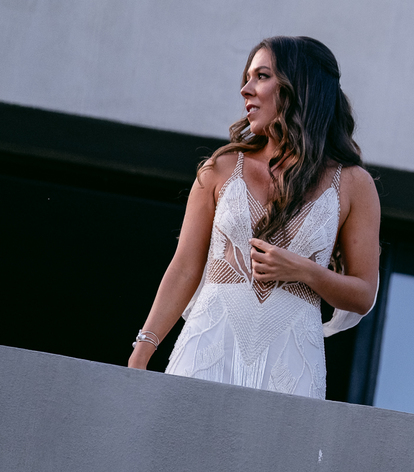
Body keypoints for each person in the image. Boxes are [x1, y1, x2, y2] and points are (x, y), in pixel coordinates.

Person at [127, 36, 380, 399]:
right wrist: (142, 351)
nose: (245, 90)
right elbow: (184, 268)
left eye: (261, 76)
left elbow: (363, 294)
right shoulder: (220, 168)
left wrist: (306, 271)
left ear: (300, 86)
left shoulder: (354, 184)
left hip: (292, 366)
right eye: (247, 78)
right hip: (206, 354)